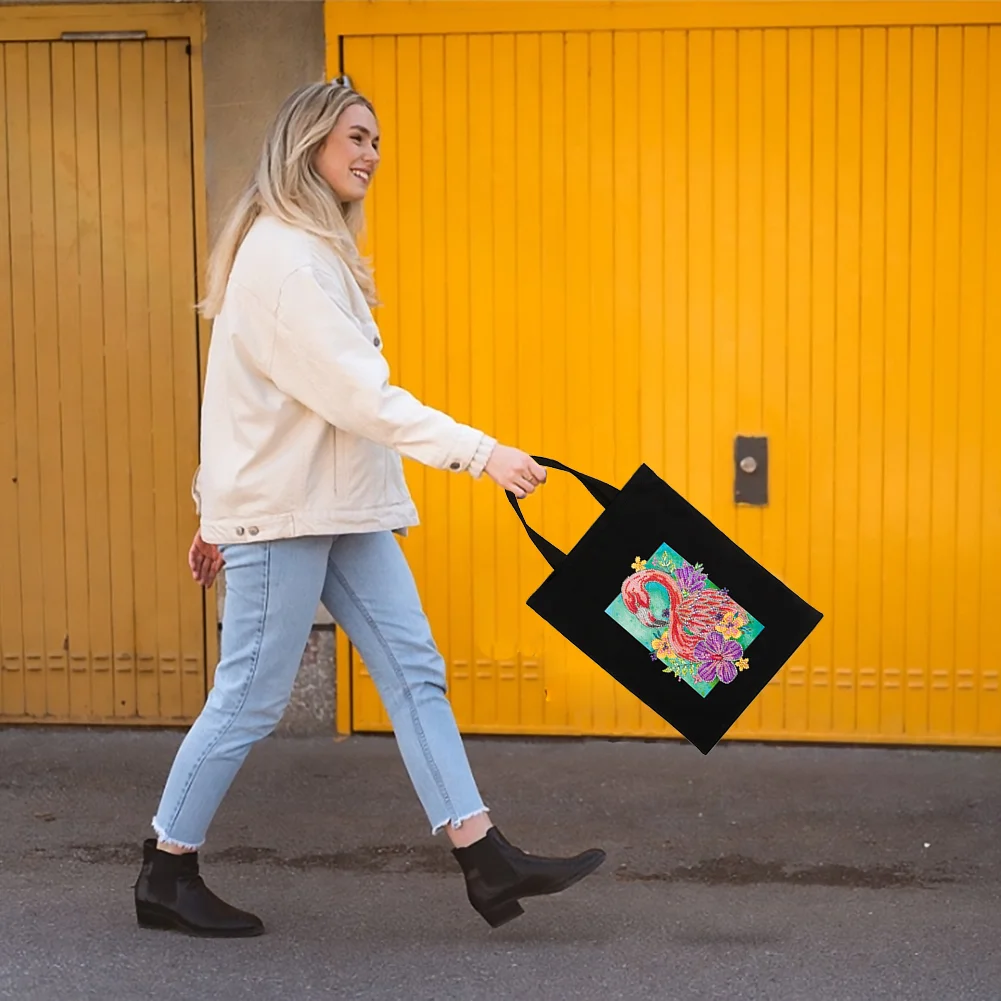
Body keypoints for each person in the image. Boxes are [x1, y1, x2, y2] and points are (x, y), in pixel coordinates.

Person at [133, 81, 605, 937]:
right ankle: (166, 869)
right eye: (356, 136)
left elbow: (241, 399)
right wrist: (479, 453)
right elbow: (360, 396)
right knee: (247, 697)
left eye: (377, 141)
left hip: (339, 504)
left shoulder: (312, 252)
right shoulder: (286, 259)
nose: (371, 154)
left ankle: (483, 855)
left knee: (413, 668)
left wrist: (208, 507)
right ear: (308, 141)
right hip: (284, 514)